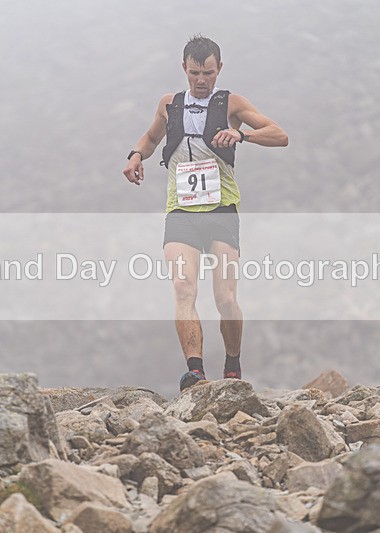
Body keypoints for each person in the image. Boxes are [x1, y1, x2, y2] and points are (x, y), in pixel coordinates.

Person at [122, 35, 288, 391]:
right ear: (184, 69)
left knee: (225, 297)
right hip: (181, 210)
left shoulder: (231, 103)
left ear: (219, 70)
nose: (201, 80)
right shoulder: (170, 105)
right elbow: (150, 139)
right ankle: (195, 372)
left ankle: (232, 363)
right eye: (195, 73)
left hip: (221, 209)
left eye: (208, 73)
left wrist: (241, 136)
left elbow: (279, 135)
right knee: (183, 288)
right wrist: (135, 155)